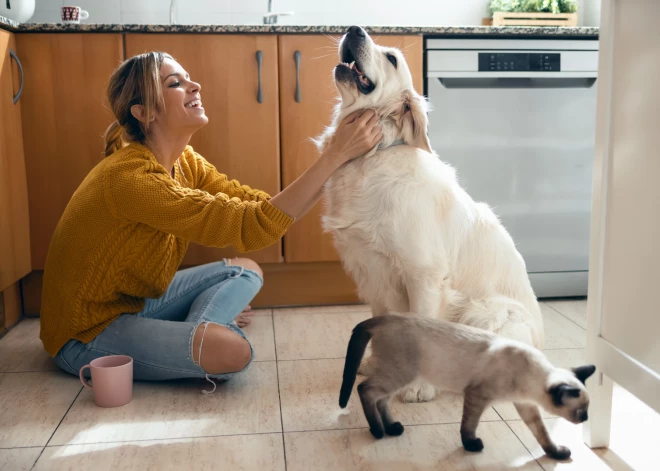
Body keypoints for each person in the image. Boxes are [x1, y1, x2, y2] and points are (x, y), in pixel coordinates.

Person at [40, 51, 381, 390]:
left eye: (188, 79)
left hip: (134, 303)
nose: (195, 85)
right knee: (234, 353)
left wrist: (339, 159)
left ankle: (199, 330)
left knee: (245, 270)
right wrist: (336, 153)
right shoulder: (132, 179)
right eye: (176, 83)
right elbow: (253, 224)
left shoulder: (184, 160)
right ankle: (207, 331)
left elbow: (260, 209)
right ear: (144, 113)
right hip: (85, 332)